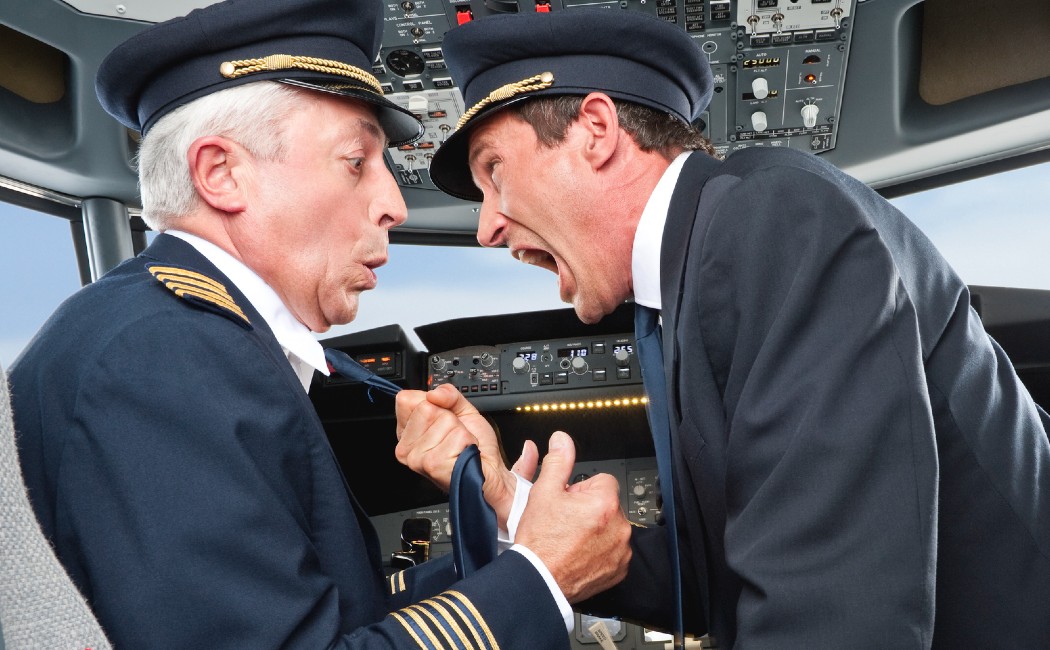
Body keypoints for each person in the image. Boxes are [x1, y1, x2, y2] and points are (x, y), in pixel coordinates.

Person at [394, 8, 1050, 648]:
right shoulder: (685, 283)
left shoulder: (773, 221)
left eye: (494, 173)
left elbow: (837, 614)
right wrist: (511, 500)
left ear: (596, 130)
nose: (486, 229)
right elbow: (715, 580)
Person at [6, 0, 632, 647]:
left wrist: (519, 551)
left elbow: (329, 617)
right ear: (221, 173)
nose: (392, 203)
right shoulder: (158, 360)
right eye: (356, 163)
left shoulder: (173, 336)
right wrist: (540, 577)